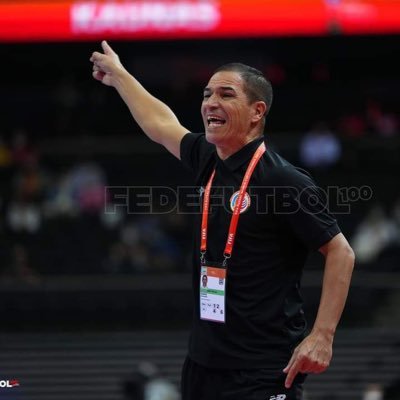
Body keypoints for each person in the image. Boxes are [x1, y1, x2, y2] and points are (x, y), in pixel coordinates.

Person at [90, 41, 355, 400]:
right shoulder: (207, 159)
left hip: (263, 369)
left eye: (225, 94)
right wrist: (120, 76)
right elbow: (160, 122)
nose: (210, 102)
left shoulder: (284, 180)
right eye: (207, 94)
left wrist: (323, 335)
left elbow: (341, 252)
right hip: (203, 365)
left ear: (257, 111)